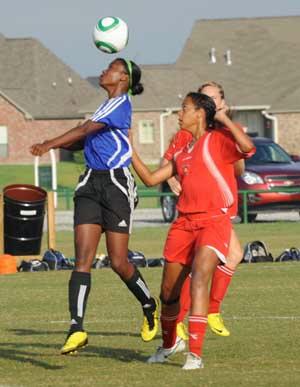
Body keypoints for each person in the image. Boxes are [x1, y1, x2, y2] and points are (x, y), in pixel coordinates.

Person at [30, 58, 159, 354]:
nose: (103, 71)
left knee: (118, 261)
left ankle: (149, 305)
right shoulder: (104, 105)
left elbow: (85, 128)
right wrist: (60, 143)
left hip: (116, 185)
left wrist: (50, 142)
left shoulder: (120, 103)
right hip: (90, 183)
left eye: (110, 68)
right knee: (82, 259)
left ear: (123, 78)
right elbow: (83, 137)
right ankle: (76, 327)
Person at [131, 92, 255, 369]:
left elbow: (247, 148)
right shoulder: (182, 152)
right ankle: (169, 344)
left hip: (214, 222)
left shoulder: (218, 139)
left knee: (199, 277)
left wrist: (222, 117)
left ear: (199, 113)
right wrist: (130, 150)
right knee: (168, 294)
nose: (179, 114)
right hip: (183, 225)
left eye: (184, 108)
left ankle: (195, 354)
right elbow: (151, 179)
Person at [162, 81, 247, 339]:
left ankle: (201, 313)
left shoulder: (225, 134)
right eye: (205, 97)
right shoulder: (188, 134)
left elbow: (239, 169)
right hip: (198, 211)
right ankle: (197, 314)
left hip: (222, 206)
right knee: (202, 264)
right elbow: (169, 163)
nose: (211, 102)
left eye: (214, 97)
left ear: (222, 103)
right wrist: (172, 179)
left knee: (225, 258)